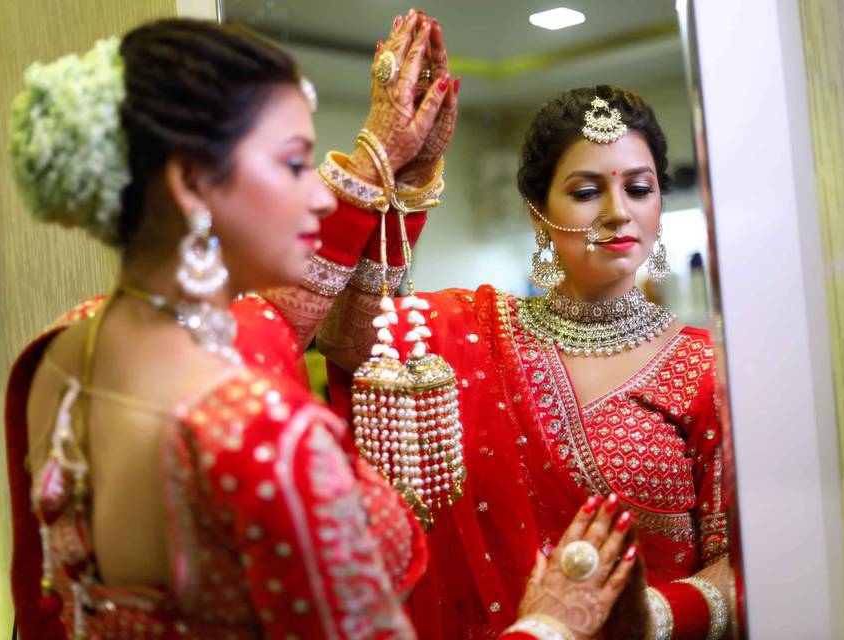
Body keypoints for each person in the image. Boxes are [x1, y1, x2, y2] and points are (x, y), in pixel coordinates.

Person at [4, 17, 638, 640]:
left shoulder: (65, 355)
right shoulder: (265, 434)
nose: (319, 195)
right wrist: (551, 623)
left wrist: (393, 171)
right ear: (191, 185)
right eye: (294, 163)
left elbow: (274, 323)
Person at [314, 14, 734, 640]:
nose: (619, 212)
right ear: (541, 216)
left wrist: (652, 615)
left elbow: (744, 563)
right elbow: (349, 336)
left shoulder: (708, 368)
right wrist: (400, 170)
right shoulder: (470, 331)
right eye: (587, 190)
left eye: (639, 188)